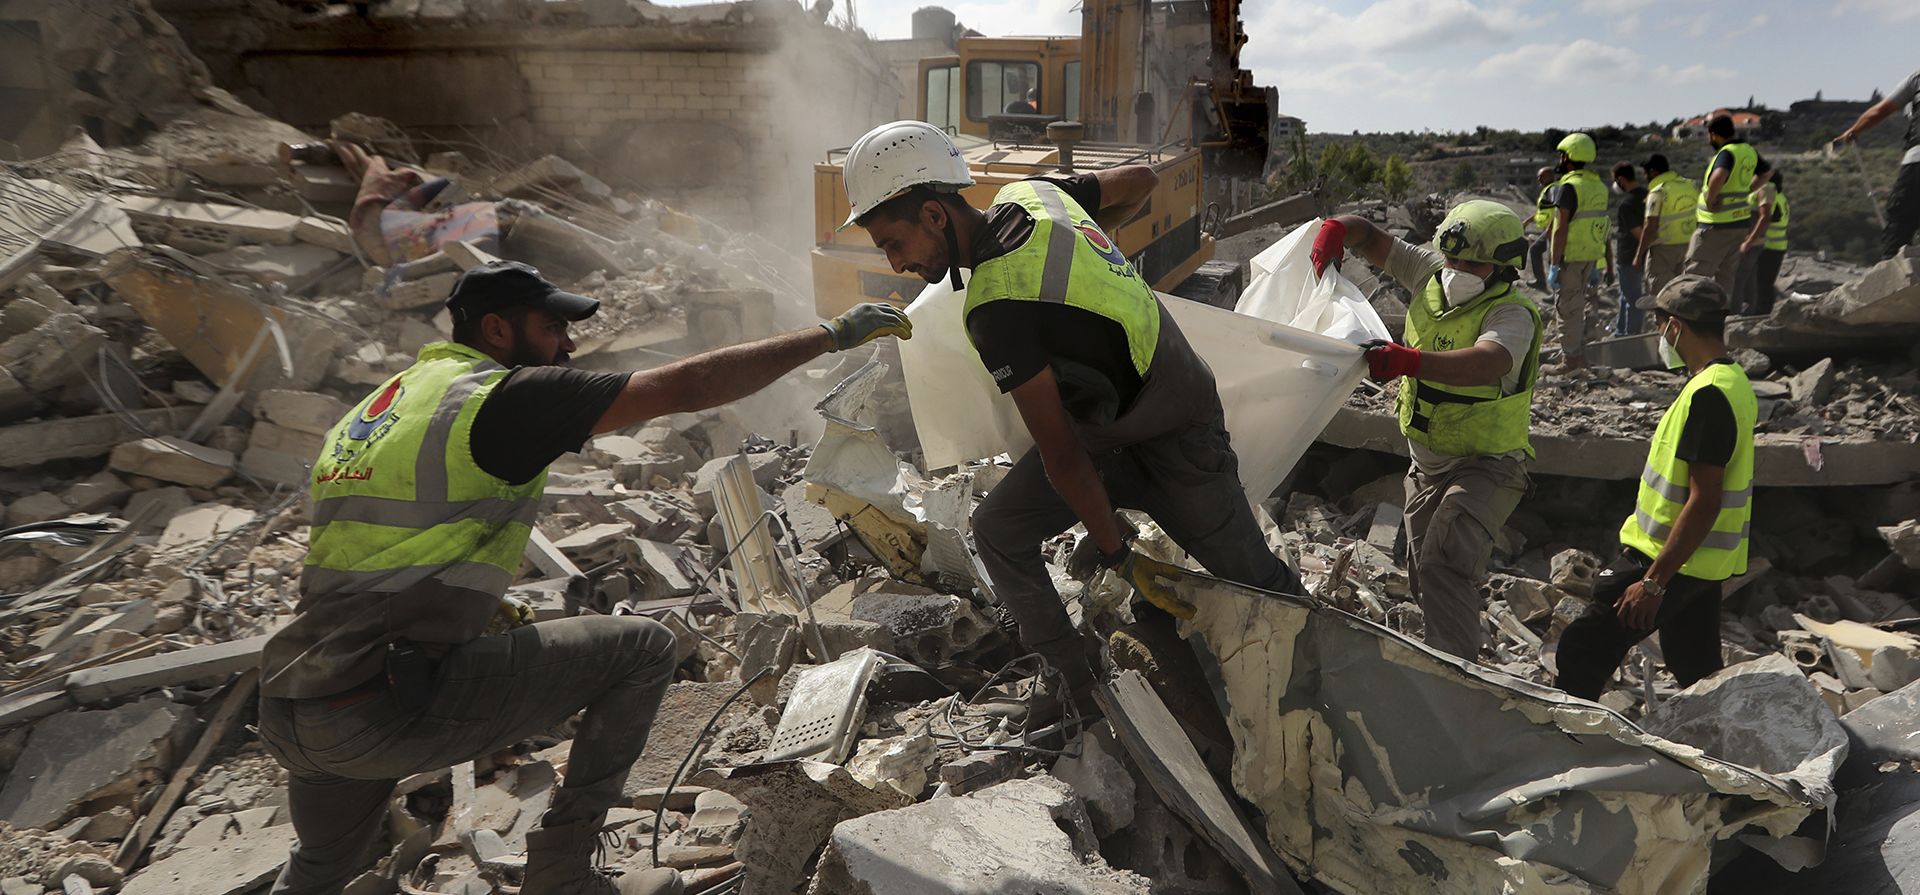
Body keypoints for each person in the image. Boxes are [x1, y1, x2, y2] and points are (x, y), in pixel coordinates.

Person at [256, 262, 912, 895]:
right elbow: (684, 386)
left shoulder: (376, 410)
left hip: (297, 702)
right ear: (495, 332)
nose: (568, 345)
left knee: (318, 869)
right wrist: (830, 334)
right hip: (382, 706)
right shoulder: (499, 399)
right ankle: (563, 874)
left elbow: (379, 551)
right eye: (551, 328)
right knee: (644, 649)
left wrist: (468, 611)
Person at [840, 119, 1303, 705]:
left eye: (893, 245)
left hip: (1176, 436)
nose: (896, 264)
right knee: (997, 530)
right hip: (1122, 425)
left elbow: (1059, 451)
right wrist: (1098, 241)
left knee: (1260, 584)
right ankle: (1078, 685)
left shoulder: (994, 309)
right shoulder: (1035, 194)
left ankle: (1318, 674)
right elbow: (1140, 178)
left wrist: (1117, 553)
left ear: (934, 215)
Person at [1310, 203, 1541, 659]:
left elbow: (1487, 361)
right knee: (1422, 574)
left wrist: (1407, 360)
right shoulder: (1428, 273)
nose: (1455, 271)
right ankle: (1448, 654)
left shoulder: (1512, 314)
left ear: (1504, 267)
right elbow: (1370, 237)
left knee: (1445, 563)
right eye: (1451, 260)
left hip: (1486, 465)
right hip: (1427, 465)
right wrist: (1337, 229)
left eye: (1471, 264)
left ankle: (1458, 681)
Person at [1555, 276, 1755, 701]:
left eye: (1659, 321)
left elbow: (1705, 500)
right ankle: (1721, 751)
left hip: (1666, 561)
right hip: (1700, 566)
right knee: (1695, 669)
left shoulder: (1709, 396)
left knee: (1581, 648)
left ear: (1675, 327)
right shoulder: (1731, 382)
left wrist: (1651, 584)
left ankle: (1571, 747)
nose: (1659, 332)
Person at [1831, 67, 1920, 259]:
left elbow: (1880, 111)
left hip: (1917, 162)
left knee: (1901, 220)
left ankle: (1893, 277)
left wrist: (1852, 132)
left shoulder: (1917, 78)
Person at [1684, 114, 1772, 292]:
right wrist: (1747, 190)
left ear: (1714, 134)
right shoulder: (1748, 150)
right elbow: (1767, 173)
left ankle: (1690, 316)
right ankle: (1719, 315)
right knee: (1725, 277)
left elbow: (1719, 176)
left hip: (1716, 225)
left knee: (1695, 275)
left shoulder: (1727, 152)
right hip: (1739, 224)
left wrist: (1710, 201)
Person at [1546, 132, 1611, 370]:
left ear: (1568, 157)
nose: (1560, 159)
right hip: (1591, 257)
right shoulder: (1599, 187)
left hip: (1569, 258)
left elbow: (1560, 228)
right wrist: (1597, 260)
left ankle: (1571, 359)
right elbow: (1601, 225)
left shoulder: (1568, 188)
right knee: (1583, 306)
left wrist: (1554, 263)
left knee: (1568, 308)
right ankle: (1584, 353)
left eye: (1562, 155)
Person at [1634, 154, 1698, 301]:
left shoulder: (1658, 192)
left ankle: (1665, 323)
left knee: (1662, 294)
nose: (1645, 177)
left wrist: (1638, 256)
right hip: (1689, 245)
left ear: (1653, 172)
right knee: (1684, 291)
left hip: (1664, 249)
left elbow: (1650, 227)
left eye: (1645, 173)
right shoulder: (1690, 185)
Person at [1609, 161, 1649, 335]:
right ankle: (1620, 332)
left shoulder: (1627, 205)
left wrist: (1639, 255)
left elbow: (1639, 233)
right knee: (1625, 297)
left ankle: (1631, 336)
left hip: (1630, 257)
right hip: (1646, 255)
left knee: (1632, 299)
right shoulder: (1648, 196)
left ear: (1622, 179)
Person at [1748, 173, 1790, 315]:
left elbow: (1765, 219)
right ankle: (1764, 312)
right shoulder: (1781, 197)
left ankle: (1761, 314)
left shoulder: (1771, 198)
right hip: (1778, 245)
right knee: (1766, 283)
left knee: (1762, 284)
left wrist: (1750, 239)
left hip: (1769, 246)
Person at [1528, 166, 1556, 290]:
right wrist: (1527, 221)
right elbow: (1544, 213)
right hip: (1550, 228)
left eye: (1542, 176)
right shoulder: (1548, 190)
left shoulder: (1553, 189)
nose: (1539, 179)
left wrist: (1551, 228)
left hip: (1554, 228)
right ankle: (1542, 283)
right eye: (1538, 177)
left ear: (1550, 176)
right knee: (1536, 250)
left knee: (1553, 259)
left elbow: (1558, 210)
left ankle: (1554, 290)